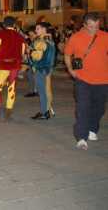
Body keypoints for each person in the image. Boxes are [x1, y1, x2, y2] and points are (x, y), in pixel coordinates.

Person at [64, 12, 108, 150]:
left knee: (99, 108)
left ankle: (92, 129)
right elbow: (67, 54)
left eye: (97, 26)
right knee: (82, 107)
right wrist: (71, 70)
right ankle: (81, 137)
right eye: (91, 26)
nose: (94, 29)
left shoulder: (105, 36)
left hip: (103, 80)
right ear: (84, 25)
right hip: (83, 79)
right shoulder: (76, 38)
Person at [0, 16, 25, 121]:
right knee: (12, 88)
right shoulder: (19, 36)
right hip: (14, 66)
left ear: (4, 25)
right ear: (14, 25)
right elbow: (22, 52)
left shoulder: (0, 35)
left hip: (3, 66)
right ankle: (9, 111)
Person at [30, 22, 56, 120]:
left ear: (44, 29)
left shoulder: (41, 41)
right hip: (47, 68)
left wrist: (31, 52)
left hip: (41, 68)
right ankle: (47, 110)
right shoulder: (50, 40)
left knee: (42, 91)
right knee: (46, 90)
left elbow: (37, 56)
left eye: (38, 28)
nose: (36, 30)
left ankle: (44, 112)